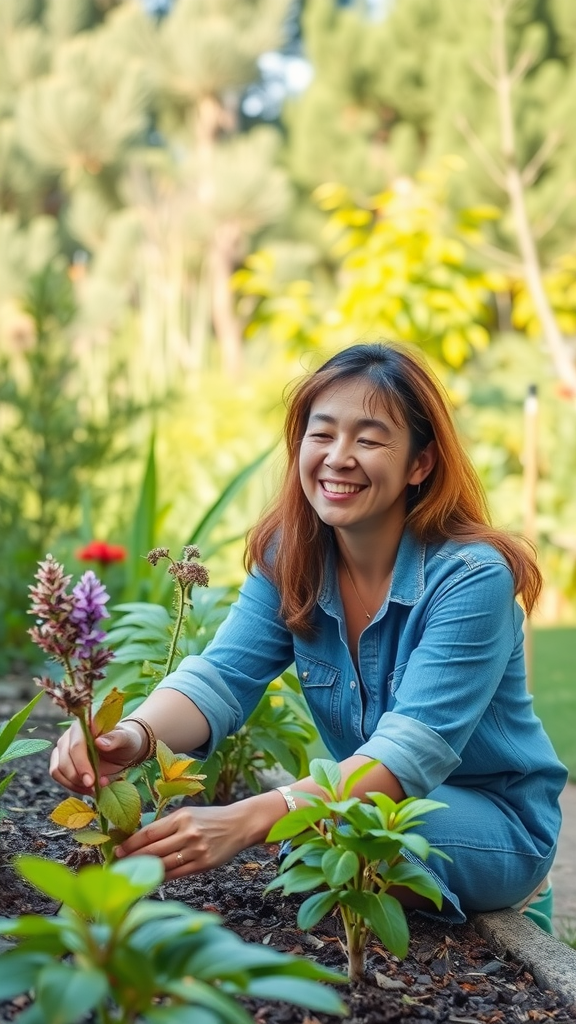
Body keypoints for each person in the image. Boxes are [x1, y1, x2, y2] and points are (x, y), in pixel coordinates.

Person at [51, 342, 567, 923]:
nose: (338, 458)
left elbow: (410, 752)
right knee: (321, 838)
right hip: (360, 806)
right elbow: (222, 677)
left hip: (491, 818)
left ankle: (519, 898)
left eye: (369, 440)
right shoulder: (291, 555)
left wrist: (248, 819)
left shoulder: (473, 578)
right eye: (321, 435)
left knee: (335, 837)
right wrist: (134, 735)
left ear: (419, 464)